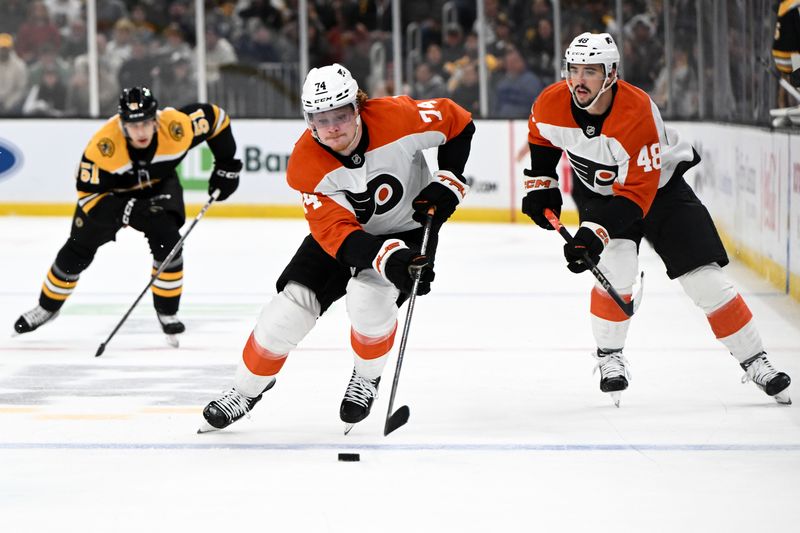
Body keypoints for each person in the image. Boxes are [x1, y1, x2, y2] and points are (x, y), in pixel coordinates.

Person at [199, 63, 474, 433]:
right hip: (342, 237)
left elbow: (458, 122)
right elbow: (338, 234)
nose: (332, 128)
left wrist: (449, 177)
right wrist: (387, 259)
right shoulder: (305, 164)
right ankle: (246, 389)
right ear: (308, 119)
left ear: (357, 106)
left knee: (368, 302)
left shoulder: (397, 117)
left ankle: (366, 377)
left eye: (341, 115)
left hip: (408, 230)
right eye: (320, 118)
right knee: (286, 312)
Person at [521, 32, 791, 406]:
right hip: (601, 194)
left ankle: (756, 359)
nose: (578, 80)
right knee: (615, 273)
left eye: (590, 71)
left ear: (611, 74)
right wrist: (542, 185)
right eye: (573, 70)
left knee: (705, 281)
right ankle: (609, 357)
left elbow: (637, 196)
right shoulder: (551, 102)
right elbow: (541, 136)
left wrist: (593, 234)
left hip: (660, 192)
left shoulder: (636, 112)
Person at [14, 86, 242, 343]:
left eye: (146, 122)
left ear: (156, 119)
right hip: (109, 197)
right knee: (76, 252)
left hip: (159, 185)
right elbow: (89, 196)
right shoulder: (103, 147)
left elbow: (216, 118)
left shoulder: (176, 127)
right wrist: (128, 211)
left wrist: (227, 166)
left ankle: (167, 313)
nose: (141, 131)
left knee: (169, 243)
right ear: (122, 123)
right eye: (133, 125)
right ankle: (47, 307)